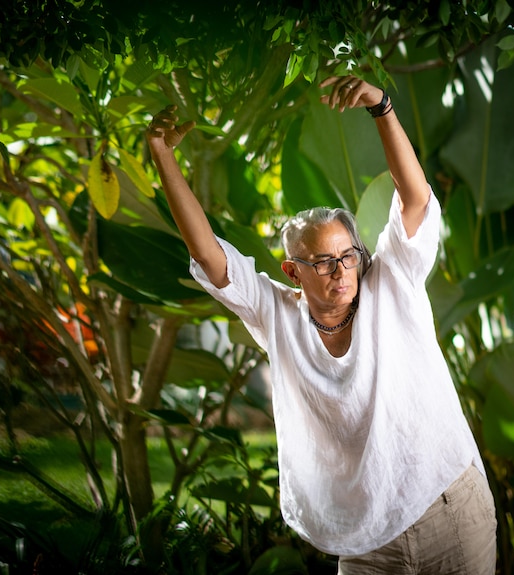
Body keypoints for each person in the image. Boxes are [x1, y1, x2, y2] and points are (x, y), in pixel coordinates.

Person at [146, 75, 496, 574]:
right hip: (366, 539)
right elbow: (209, 254)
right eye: (322, 262)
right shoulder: (277, 314)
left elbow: (414, 201)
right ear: (292, 271)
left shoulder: (391, 283)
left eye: (347, 256)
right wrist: (162, 155)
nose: (339, 271)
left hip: (448, 508)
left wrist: (381, 106)